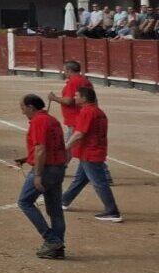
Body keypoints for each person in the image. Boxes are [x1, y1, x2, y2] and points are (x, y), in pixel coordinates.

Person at [16, 94, 68, 259]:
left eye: (23, 107)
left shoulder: (38, 121)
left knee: (24, 202)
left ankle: (52, 240)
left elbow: (41, 149)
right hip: (58, 168)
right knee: (55, 209)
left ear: (31, 107)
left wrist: (37, 175)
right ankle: (57, 248)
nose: (22, 111)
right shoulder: (52, 120)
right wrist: (27, 157)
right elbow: (52, 146)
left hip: (45, 170)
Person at [62, 86, 122, 222]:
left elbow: (79, 134)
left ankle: (112, 211)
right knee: (80, 179)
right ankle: (64, 200)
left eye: (76, 96)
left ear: (84, 98)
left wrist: (65, 147)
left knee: (99, 183)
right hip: (92, 151)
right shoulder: (97, 111)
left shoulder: (87, 112)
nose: (74, 98)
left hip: (90, 153)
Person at [47, 60, 111, 184]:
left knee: (70, 146)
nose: (64, 72)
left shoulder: (73, 82)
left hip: (77, 120)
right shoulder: (85, 81)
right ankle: (60, 168)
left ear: (70, 71)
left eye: (65, 70)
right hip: (85, 118)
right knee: (79, 148)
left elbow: (69, 101)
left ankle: (57, 169)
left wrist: (54, 98)